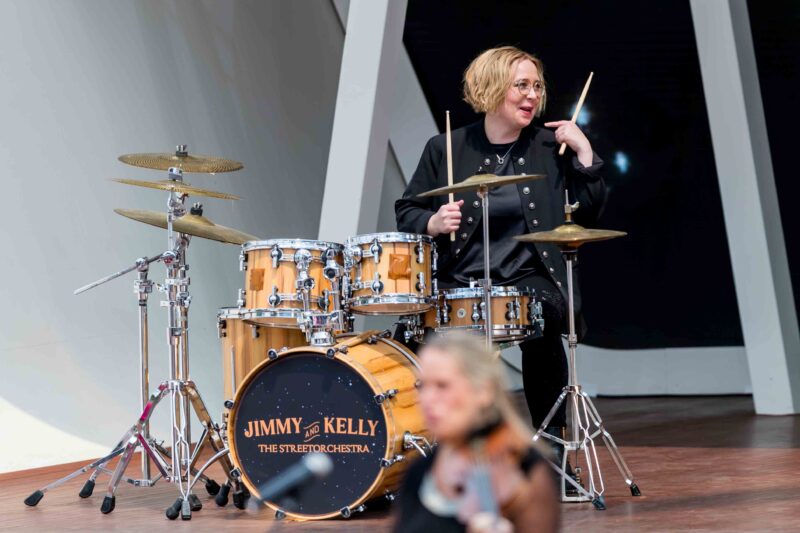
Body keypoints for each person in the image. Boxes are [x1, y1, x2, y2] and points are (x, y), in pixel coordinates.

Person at [395, 46, 606, 465]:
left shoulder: (551, 147)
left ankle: (554, 452)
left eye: (537, 86)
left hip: (531, 278)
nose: (532, 95)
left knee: (542, 326)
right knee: (412, 339)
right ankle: (421, 453)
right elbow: (407, 211)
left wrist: (585, 154)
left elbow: (588, 213)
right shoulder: (446, 147)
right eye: (521, 86)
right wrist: (433, 221)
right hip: (458, 278)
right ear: (491, 88)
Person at [392, 333, 559, 533]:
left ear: (483, 391)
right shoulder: (419, 471)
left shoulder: (526, 470)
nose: (427, 399)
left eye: (442, 386)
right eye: (422, 386)